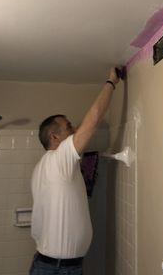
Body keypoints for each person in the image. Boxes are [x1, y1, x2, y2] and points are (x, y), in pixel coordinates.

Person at [29, 68, 120, 275]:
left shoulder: (42, 167)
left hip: (55, 266)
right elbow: (94, 119)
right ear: (54, 138)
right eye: (69, 127)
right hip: (57, 269)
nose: (74, 131)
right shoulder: (59, 158)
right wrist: (111, 82)